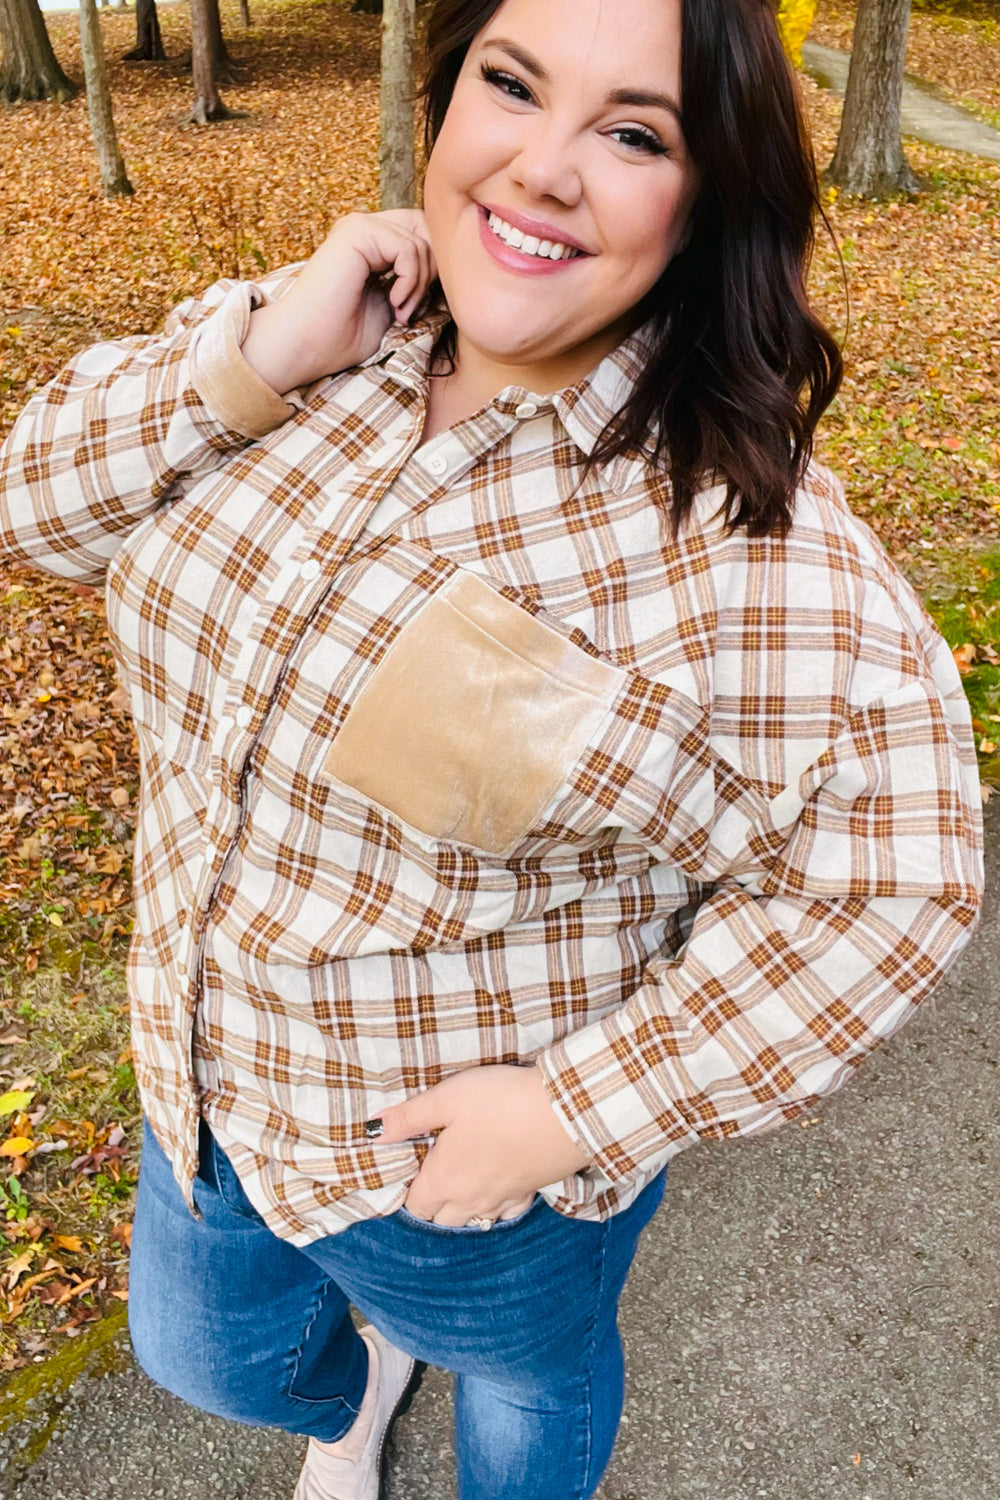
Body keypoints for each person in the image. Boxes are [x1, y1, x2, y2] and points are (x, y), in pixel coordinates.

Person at [0, 0, 984, 1496]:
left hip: (459, 1185)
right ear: (449, 102)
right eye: (511, 86)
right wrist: (265, 344)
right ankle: (355, 1393)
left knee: (529, 1386)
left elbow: (900, 875)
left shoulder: (738, 538)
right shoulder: (317, 347)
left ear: (708, 194)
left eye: (635, 132)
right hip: (199, 1087)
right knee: (202, 1359)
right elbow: (35, 512)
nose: (541, 165)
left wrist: (579, 1109)